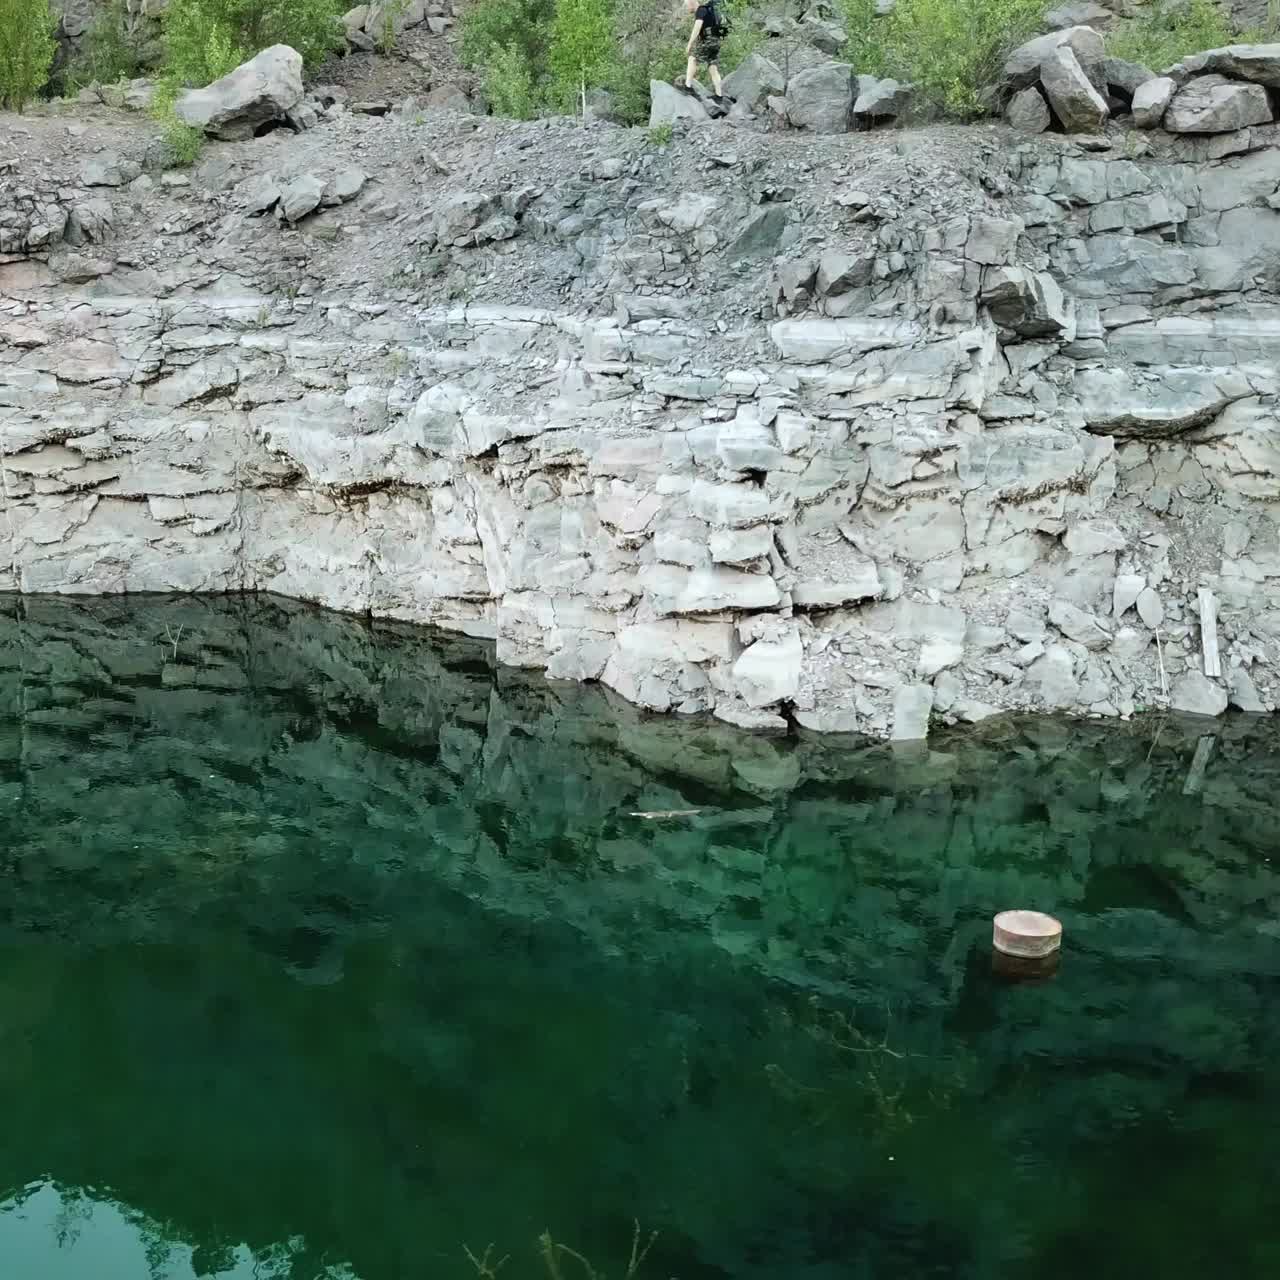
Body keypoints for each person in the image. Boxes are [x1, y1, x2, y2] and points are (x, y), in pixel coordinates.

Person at [680, 0, 728, 106]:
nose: (687, 9)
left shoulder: (701, 10)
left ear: (692, 3)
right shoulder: (710, 11)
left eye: (687, 6)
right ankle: (719, 96)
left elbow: (697, 27)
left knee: (692, 58)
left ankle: (688, 87)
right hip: (716, 41)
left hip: (708, 40)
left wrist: (689, 44)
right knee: (713, 67)